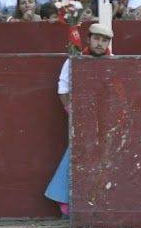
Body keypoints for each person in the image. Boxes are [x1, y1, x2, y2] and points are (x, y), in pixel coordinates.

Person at [44, 22, 113, 214]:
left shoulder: (114, 61)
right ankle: (67, 201)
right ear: (89, 39)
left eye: (104, 40)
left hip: (106, 117)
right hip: (80, 115)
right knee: (78, 153)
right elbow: (63, 89)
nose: (100, 43)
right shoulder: (74, 60)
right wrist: (73, 113)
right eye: (97, 39)